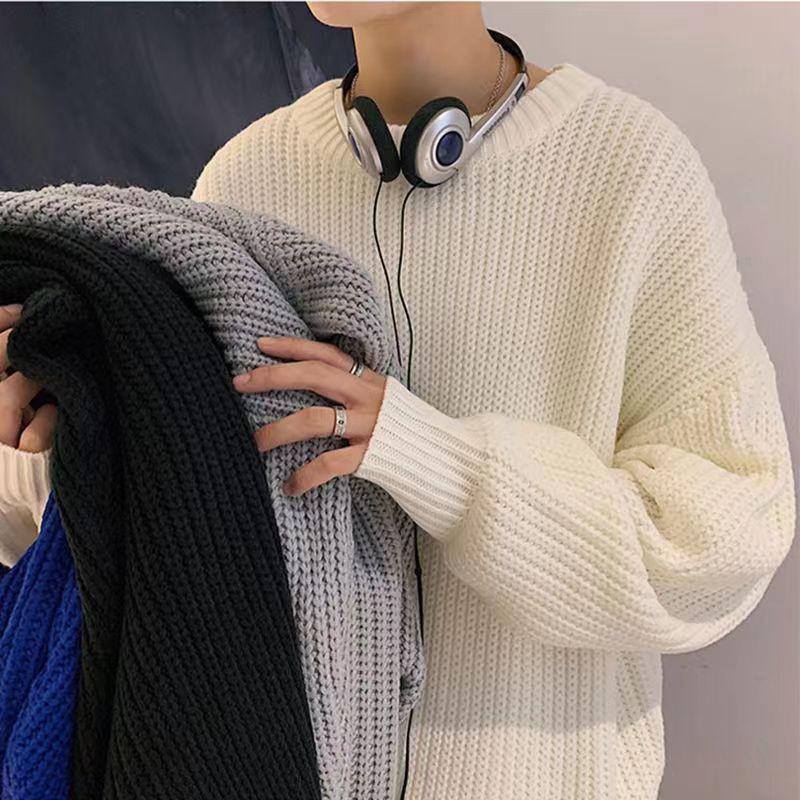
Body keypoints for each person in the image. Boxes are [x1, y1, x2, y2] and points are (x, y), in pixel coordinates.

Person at [0, 3, 795, 799]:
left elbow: (727, 536)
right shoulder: (245, 181)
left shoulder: (628, 169)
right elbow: (182, 539)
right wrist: (59, 448)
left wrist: (441, 464)